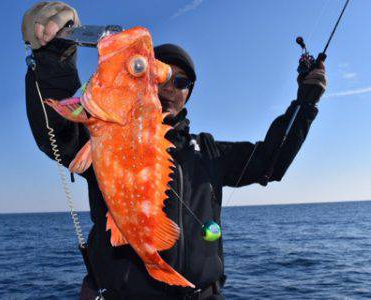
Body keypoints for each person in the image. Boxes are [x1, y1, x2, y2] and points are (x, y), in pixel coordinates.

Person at [22, 2, 327, 299]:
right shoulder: (103, 130)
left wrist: (306, 102)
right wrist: (53, 61)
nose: (169, 87)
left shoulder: (207, 151)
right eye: (161, 75)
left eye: (180, 82)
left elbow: (270, 162)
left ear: (188, 94)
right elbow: (58, 132)